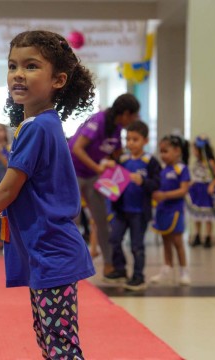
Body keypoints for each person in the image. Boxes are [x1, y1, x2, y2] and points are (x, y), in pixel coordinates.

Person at [0, 30, 96, 359]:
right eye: (12, 65)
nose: (18, 73)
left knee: (59, 345)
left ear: (58, 80)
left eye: (31, 66)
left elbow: (7, 188)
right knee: (49, 339)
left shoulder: (36, 128)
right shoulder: (42, 124)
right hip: (44, 250)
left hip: (51, 250)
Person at [68, 93, 140, 277]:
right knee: (71, 219)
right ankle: (69, 263)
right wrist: (98, 168)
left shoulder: (117, 129)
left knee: (101, 220)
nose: (134, 119)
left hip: (94, 176)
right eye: (133, 115)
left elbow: (115, 153)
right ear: (125, 113)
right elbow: (77, 148)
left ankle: (109, 264)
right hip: (74, 171)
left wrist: (117, 164)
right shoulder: (99, 119)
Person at [105, 121, 161, 291]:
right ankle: (120, 269)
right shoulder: (122, 159)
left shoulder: (150, 161)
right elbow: (113, 181)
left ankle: (138, 276)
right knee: (114, 239)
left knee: (137, 246)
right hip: (121, 210)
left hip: (139, 212)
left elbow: (157, 184)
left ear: (145, 140)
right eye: (128, 139)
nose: (130, 143)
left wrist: (143, 181)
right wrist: (109, 169)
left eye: (135, 139)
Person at [151, 135, 191, 286]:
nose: (162, 155)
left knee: (177, 241)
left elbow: (183, 190)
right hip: (162, 209)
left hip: (175, 210)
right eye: (160, 152)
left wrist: (165, 195)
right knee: (165, 240)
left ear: (177, 151)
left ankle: (184, 271)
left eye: (165, 151)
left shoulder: (182, 169)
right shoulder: (161, 170)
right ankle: (166, 268)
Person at [186, 135, 215, 248]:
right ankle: (197, 235)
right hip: (197, 189)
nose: (194, 152)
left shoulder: (210, 162)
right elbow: (195, 176)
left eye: (195, 149)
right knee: (197, 213)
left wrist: (212, 185)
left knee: (207, 215)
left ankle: (208, 236)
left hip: (206, 189)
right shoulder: (196, 163)